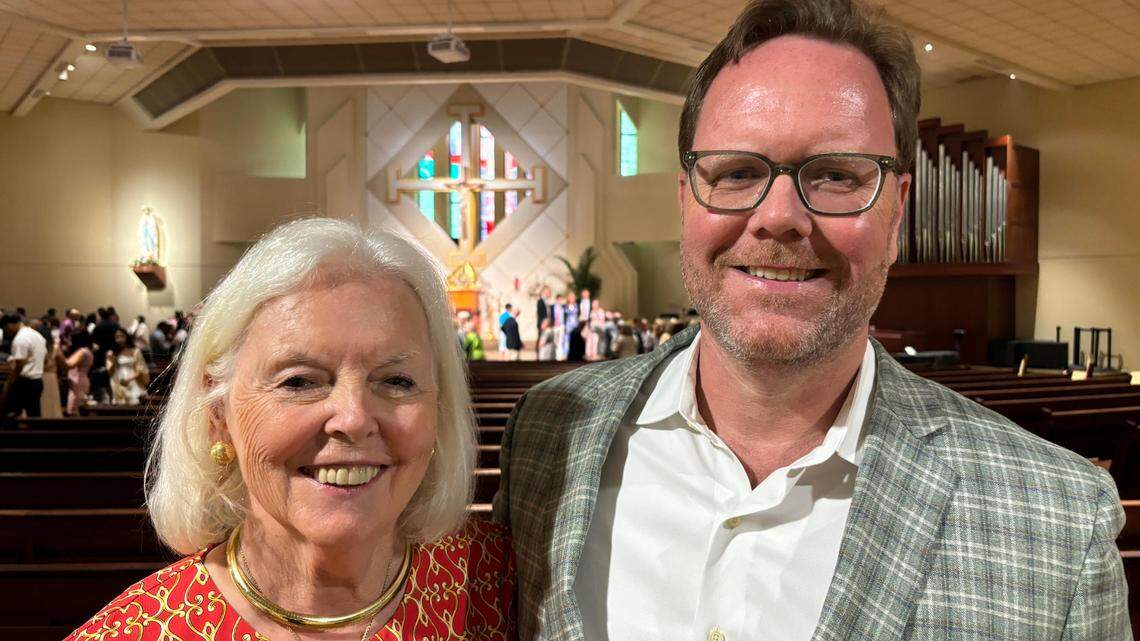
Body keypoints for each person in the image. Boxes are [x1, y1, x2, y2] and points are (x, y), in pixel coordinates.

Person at [493, 1, 1129, 639]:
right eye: (738, 171)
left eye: (834, 175)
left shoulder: (1057, 519)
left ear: (897, 212)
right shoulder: (550, 437)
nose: (779, 217)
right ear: (685, 200)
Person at [67, 218, 513, 641]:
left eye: (397, 381)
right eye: (299, 381)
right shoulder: (137, 631)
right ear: (218, 412)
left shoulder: (511, 585)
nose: (354, 418)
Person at [1, 313, 47, 420]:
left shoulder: (20, 338)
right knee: (34, 416)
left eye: (5, 328)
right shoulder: (37, 335)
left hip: (23, 382)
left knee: (10, 415)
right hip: (37, 381)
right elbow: (45, 360)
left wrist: (9, 383)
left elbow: (19, 365)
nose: (7, 332)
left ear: (9, 325)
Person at [108, 327, 149, 406]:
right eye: (117, 337)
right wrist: (113, 361)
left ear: (126, 337)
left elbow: (141, 369)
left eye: (122, 336)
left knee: (134, 401)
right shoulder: (112, 353)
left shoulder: (135, 351)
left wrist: (129, 379)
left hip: (133, 379)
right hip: (117, 380)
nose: (120, 339)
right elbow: (110, 371)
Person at [63, 331, 94, 415]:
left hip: (78, 382)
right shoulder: (86, 350)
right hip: (79, 381)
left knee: (74, 409)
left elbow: (70, 364)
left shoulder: (82, 352)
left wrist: (58, 353)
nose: (69, 343)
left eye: (71, 340)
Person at [534, 287, 551, 356]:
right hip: (542, 323)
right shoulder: (540, 301)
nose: (548, 293)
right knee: (541, 337)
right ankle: (538, 353)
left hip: (546, 323)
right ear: (543, 292)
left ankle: (541, 353)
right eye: (546, 291)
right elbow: (539, 313)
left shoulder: (546, 301)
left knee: (544, 338)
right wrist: (542, 323)